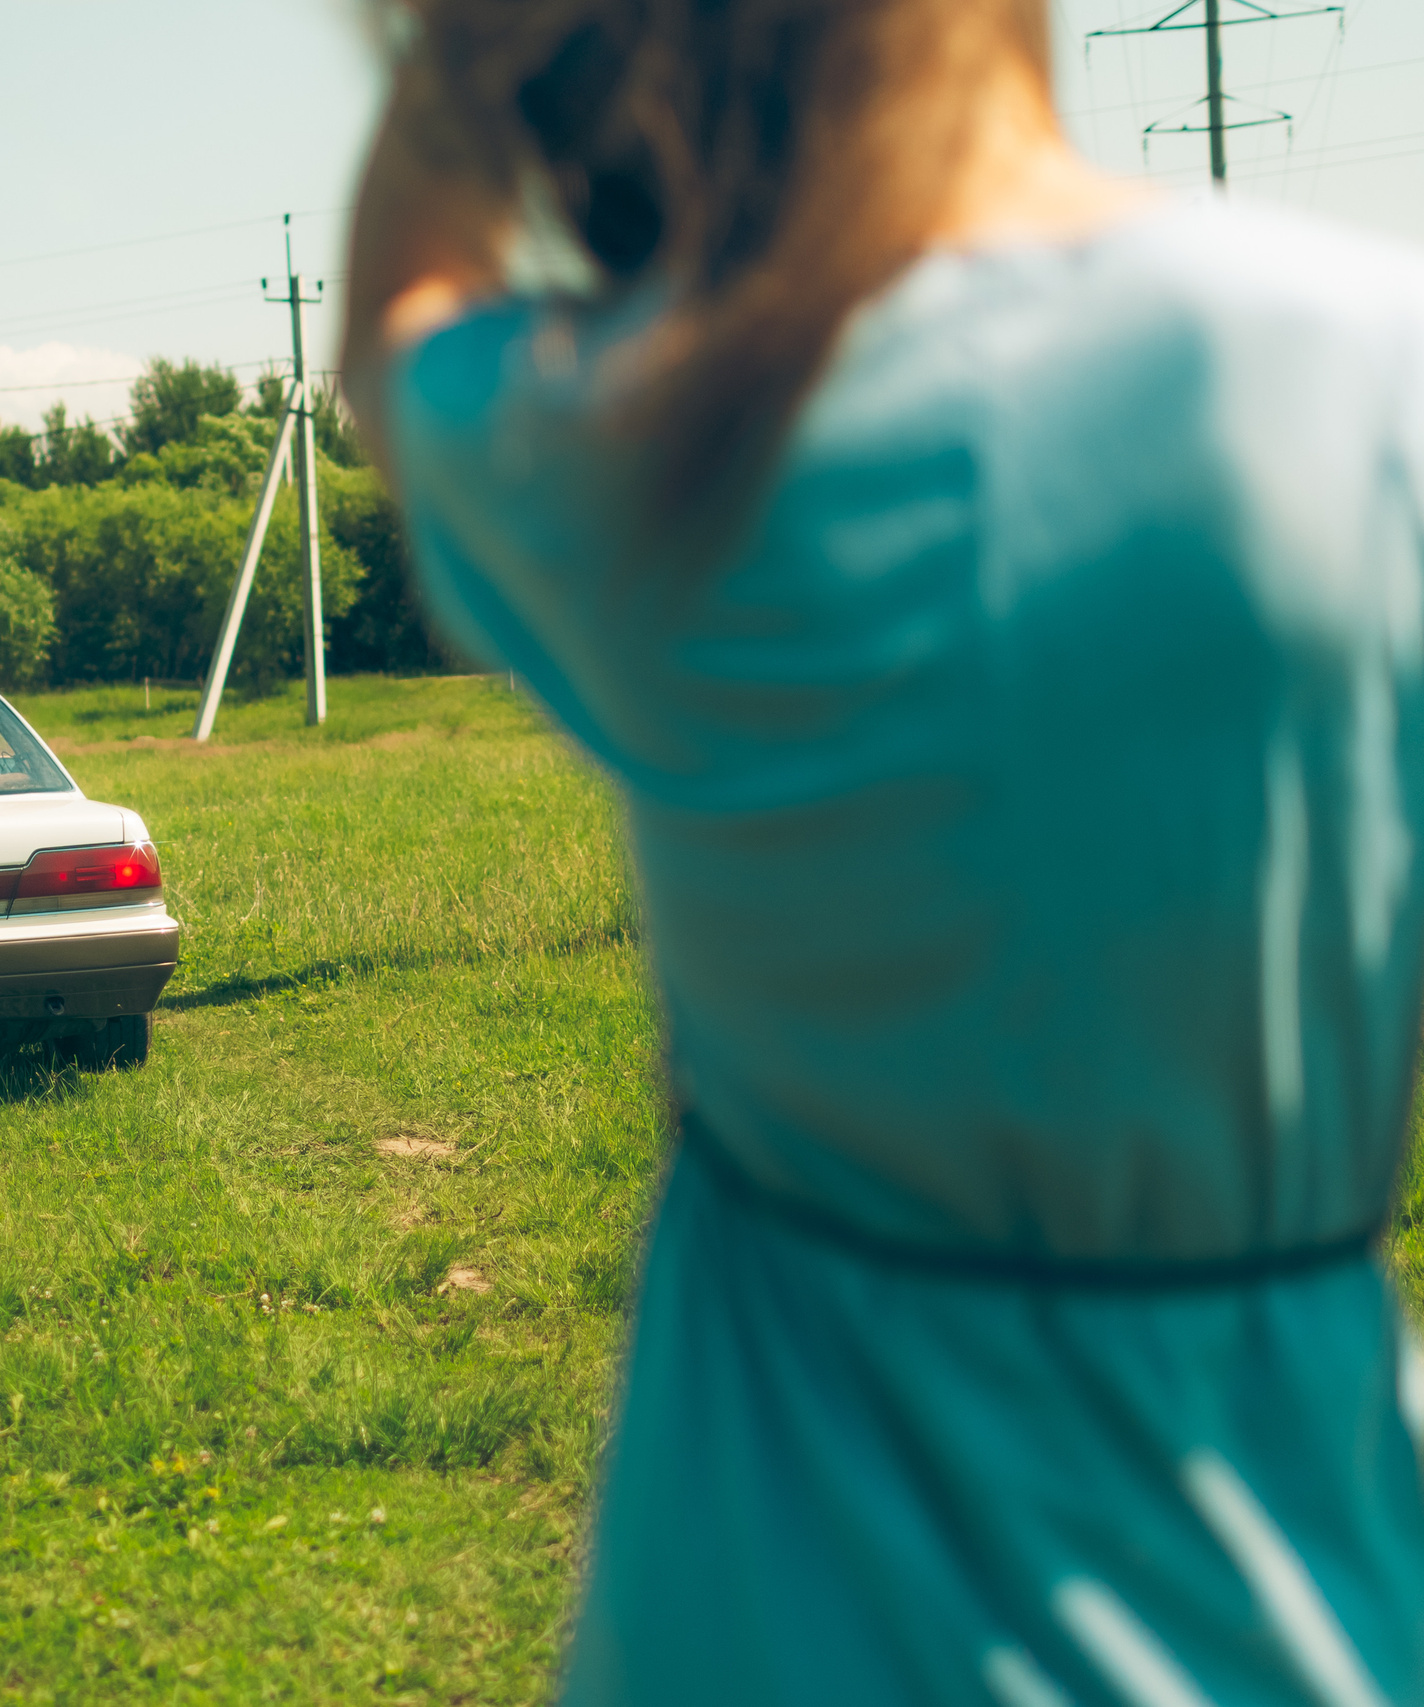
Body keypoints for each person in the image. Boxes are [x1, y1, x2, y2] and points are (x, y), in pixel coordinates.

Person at [342, 1, 1424, 1701]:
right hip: (1294, 1613)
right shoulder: (1370, 367)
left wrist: (471, 54)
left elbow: (396, 339)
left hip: (752, 1630)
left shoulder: (647, 437)